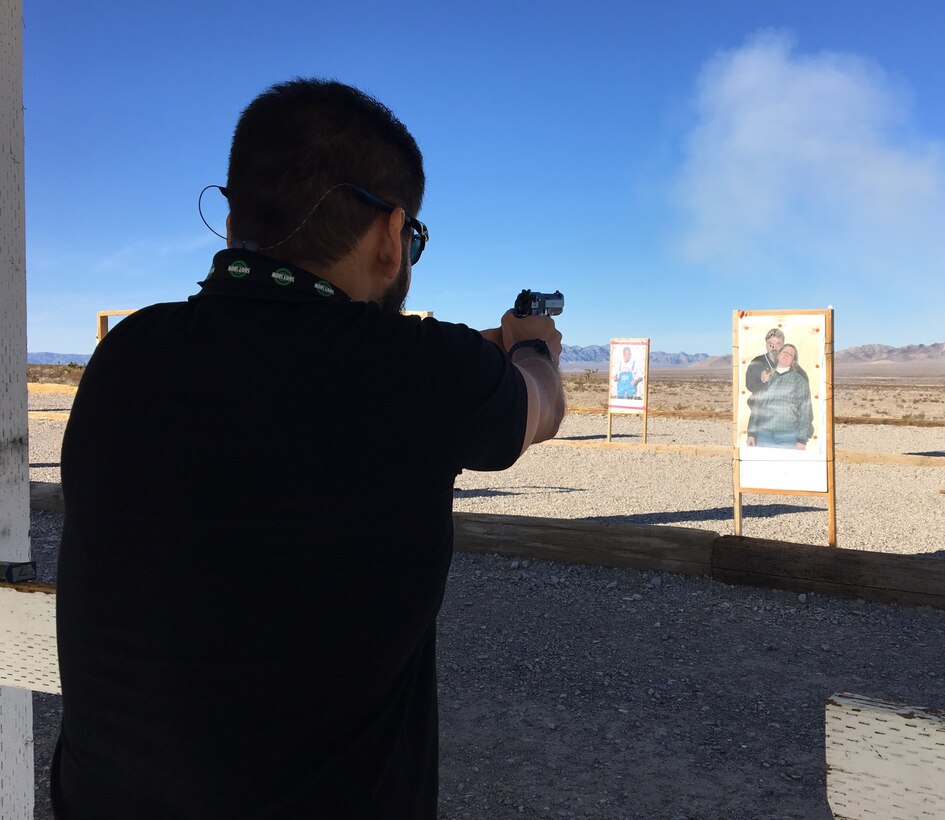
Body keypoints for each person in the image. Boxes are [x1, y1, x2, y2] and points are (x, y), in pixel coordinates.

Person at [51, 79, 564, 820]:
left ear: (232, 220)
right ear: (391, 235)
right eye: (411, 237)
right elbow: (536, 408)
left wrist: (465, 358)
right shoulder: (416, 372)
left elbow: (291, 370)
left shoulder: (129, 353)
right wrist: (532, 349)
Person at [746, 343, 814, 449]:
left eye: (791, 355)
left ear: (794, 361)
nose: (787, 355)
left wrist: (801, 440)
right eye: (784, 352)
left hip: (789, 437)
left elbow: (806, 411)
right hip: (763, 436)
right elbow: (756, 408)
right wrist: (751, 434)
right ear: (778, 355)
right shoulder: (765, 378)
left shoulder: (800, 381)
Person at [744, 327, 784, 400]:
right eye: (770, 344)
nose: (774, 347)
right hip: (761, 406)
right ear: (766, 344)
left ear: (783, 345)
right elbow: (749, 385)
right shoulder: (757, 362)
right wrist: (762, 380)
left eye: (778, 344)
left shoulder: (788, 361)